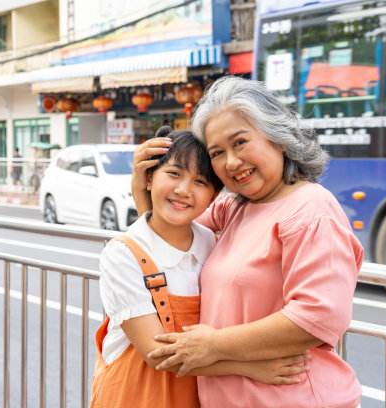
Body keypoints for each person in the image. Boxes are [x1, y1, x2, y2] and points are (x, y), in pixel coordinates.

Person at [131, 77, 363, 408]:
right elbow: (166, 242)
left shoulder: (312, 208)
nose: (231, 163)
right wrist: (143, 186)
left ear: (277, 138)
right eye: (217, 153)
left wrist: (214, 345)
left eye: (240, 142)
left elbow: (319, 317)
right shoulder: (234, 207)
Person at [91, 128, 311, 408]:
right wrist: (249, 367)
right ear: (149, 177)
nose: (184, 190)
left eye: (200, 181)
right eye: (173, 174)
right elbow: (157, 354)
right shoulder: (122, 254)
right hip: (135, 396)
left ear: (214, 196)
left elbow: (167, 229)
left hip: (192, 395)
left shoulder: (209, 241)